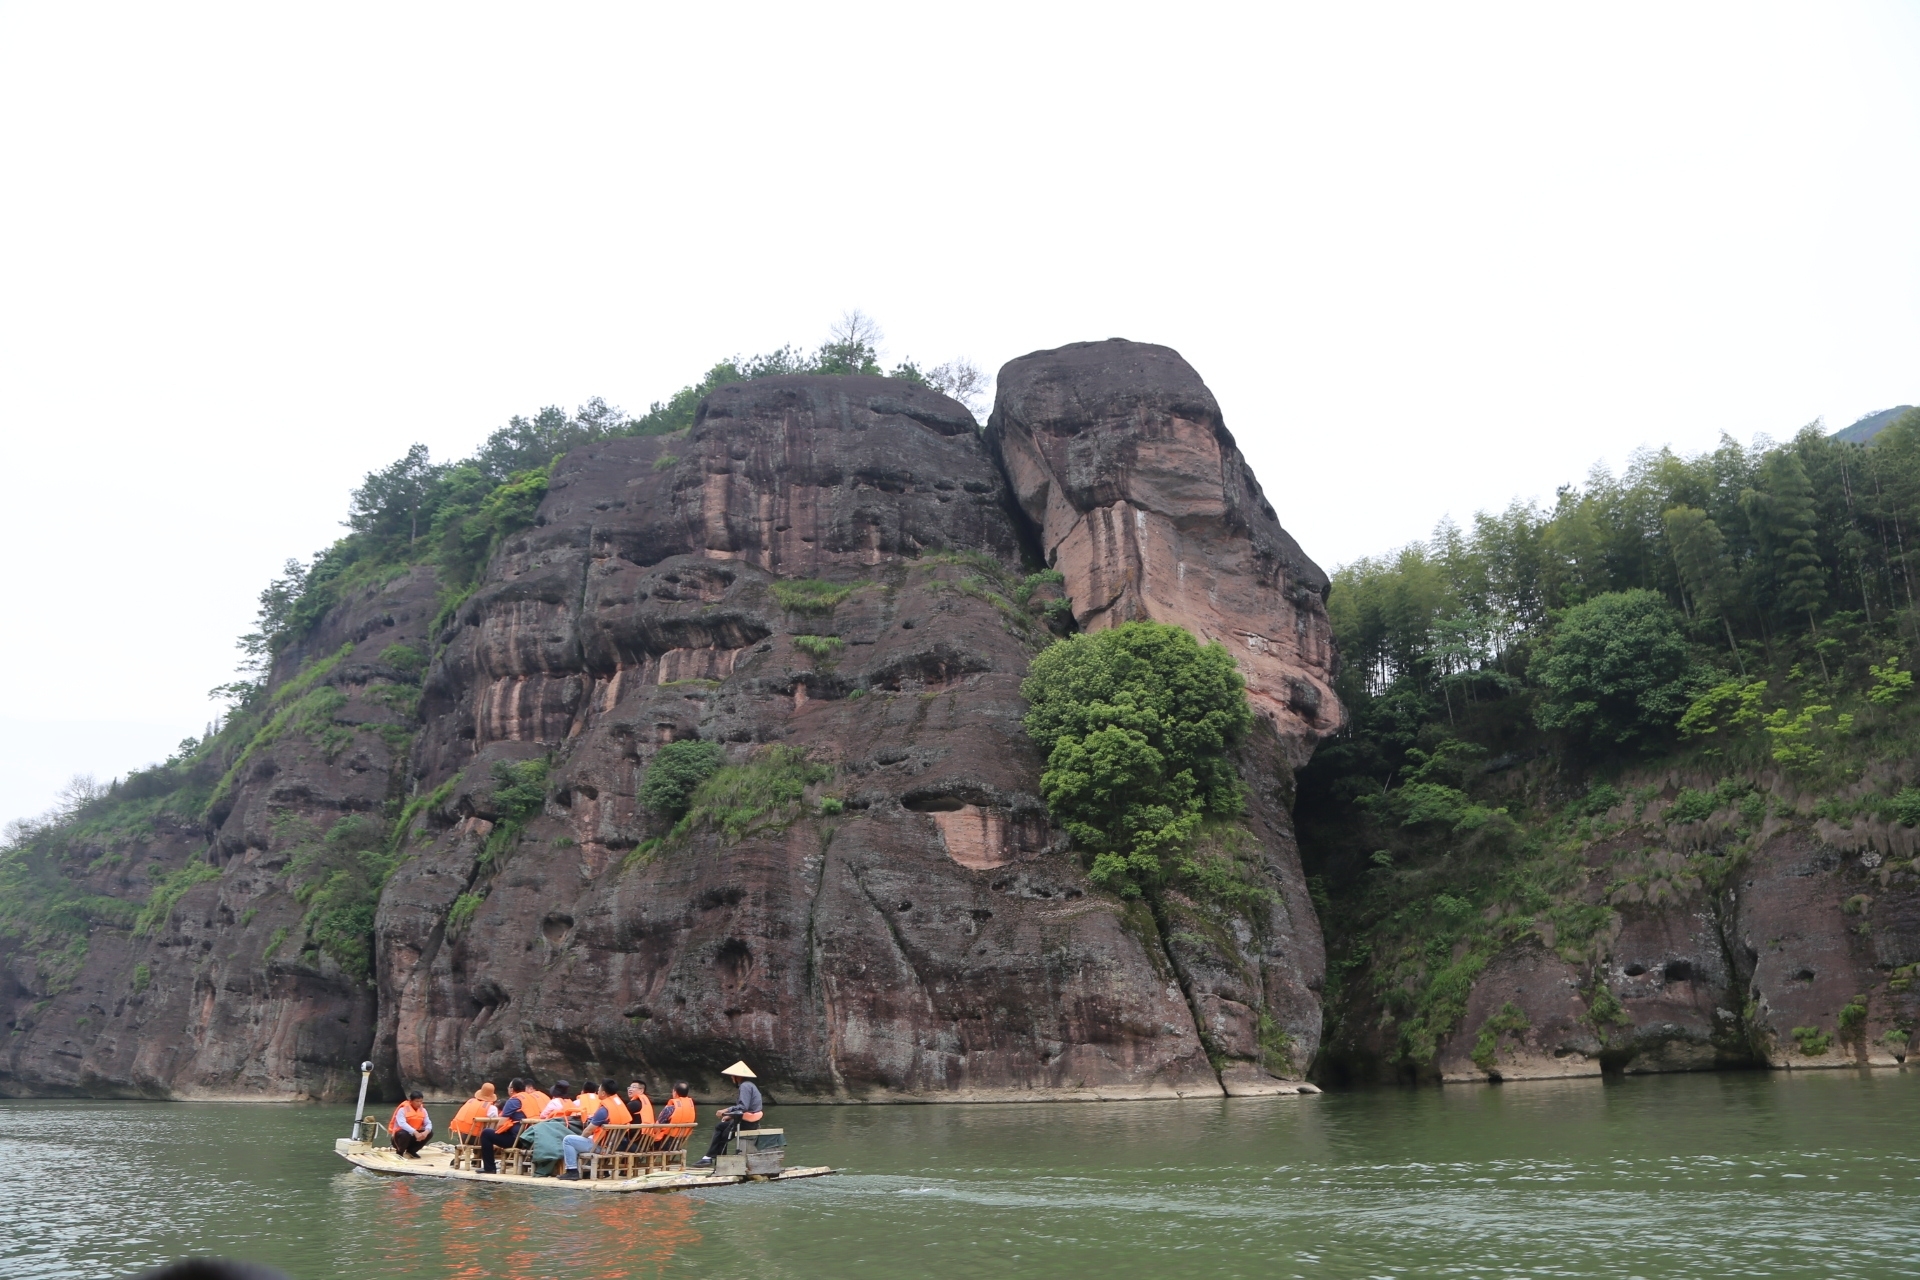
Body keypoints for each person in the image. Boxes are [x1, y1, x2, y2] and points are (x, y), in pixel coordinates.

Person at [696, 1061, 764, 1166]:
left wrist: (725, 1111)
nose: (731, 1078)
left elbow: (743, 1107)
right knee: (720, 1126)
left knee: (724, 1136)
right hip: (746, 1120)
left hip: (746, 1123)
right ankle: (709, 1157)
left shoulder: (745, 1086)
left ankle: (718, 1160)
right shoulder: (749, 1085)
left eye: (732, 1076)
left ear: (737, 1077)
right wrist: (730, 1116)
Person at [560, 1084, 618, 1181]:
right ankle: (594, 1171)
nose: (597, 1092)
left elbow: (588, 1131)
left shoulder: (603, 1110)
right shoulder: (617, 1107)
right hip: (612, 1145)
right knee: (577, 1142)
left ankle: (572, 1171)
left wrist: (582, 1138)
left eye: (599, 1090)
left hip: (602, 1147)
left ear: (603, 1093)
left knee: (568, 1140)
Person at [480, 1078, 532, 1174]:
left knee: (486, 1133)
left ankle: (489, 1168)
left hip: (517, 1140)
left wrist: (499, 1130)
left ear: (512, 1089)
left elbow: (500, 1124)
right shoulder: (531, 1099)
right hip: (531, 1139)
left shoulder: (513, 1101)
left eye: (508, 1087)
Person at [389, 1090, 432, 1158]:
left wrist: (426, 1131)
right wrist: (415, 1132)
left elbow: (428, 1122)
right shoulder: (402, 1110)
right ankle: (400, 1152)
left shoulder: (423, 1110)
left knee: (430, 1132)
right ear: (411, 1101)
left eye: (421, 1101)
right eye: (417, 1101)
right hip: (399, 1138)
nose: (419, 1103)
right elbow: (402, 1124)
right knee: (404, 1133)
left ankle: (411, 1151)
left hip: (414, 1137)